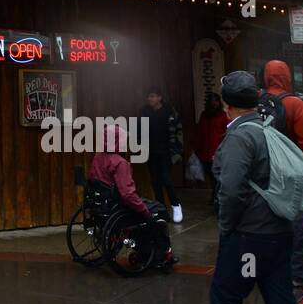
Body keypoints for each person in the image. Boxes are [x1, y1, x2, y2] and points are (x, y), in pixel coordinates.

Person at [210, 71, 297, 304]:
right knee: (280, 297)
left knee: (225, 297)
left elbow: (230, 191)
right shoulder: (270, 129)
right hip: (279, 230)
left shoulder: (240, 137)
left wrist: (227, 228)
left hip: (249, 235)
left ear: (226, 104)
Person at [261, 59, 303, 286]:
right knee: (296, 220)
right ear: (287, 76)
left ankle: (268, 268)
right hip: (290, 172)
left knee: (266, 220)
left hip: (264, 170)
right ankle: (298, 273)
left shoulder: (257, 102)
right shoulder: (295, 104)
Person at [89, 124, 175, 268]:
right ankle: (159, 254)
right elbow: (128, 195)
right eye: (123, 140)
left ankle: (146, 250)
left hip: (102, 205)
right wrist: (144, 210)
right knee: (158, 211)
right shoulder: (120, 163)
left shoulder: (98, 157)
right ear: (118, 141)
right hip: (119, 207)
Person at [142, 88, 183, 222]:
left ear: (159, 97)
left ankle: (176, 205)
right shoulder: (145, 111)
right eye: (149, 96)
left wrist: (177, 151)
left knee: (166, 179)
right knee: (155, 181)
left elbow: (178, 131)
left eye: (153, 96)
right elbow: (140, 128)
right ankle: (161, 210)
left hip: (166, 151)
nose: (150, 99)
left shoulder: (169, 111)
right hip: (151, 151)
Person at [195, 91, 227, 210]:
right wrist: (197, 148)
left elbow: (226, 132)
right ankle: (215, 196)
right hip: (204, 152)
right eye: (211, 100)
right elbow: (200, 132)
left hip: (218, 152)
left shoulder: (223, 115)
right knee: (211, 176)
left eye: (216, 100)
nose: (214, 103)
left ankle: (217, 198)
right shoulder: (204, 115)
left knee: (218, 177)